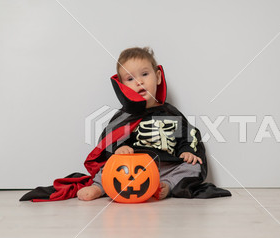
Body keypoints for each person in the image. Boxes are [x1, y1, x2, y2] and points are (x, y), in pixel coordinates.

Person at [77, 47, 205, 201]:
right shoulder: (124, 116)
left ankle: (167, 184)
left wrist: (187, 151)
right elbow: (109, 140)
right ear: (123, 86)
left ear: (157, 77)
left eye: (144, 74)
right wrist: (119, 148)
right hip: (132, 167)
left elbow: (187, 135)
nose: (139, 82)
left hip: (166, 167)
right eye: (130, 79)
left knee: (192, 166)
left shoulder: (171, 113)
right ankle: (100, 186)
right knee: (108, 167)